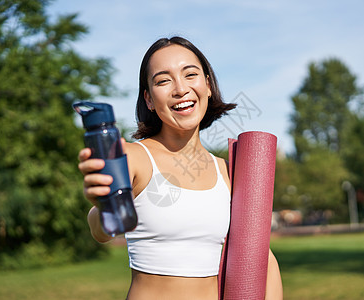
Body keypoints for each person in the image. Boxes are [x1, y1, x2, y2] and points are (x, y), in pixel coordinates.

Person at [78, 36, 283, 300]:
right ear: (149, 99)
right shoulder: (132, 157)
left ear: (208, 86)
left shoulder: (228, 172)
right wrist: (104, 205)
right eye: (163, 80)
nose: (180, 89)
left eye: (190, 75)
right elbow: (101, 230)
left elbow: (261, 255)